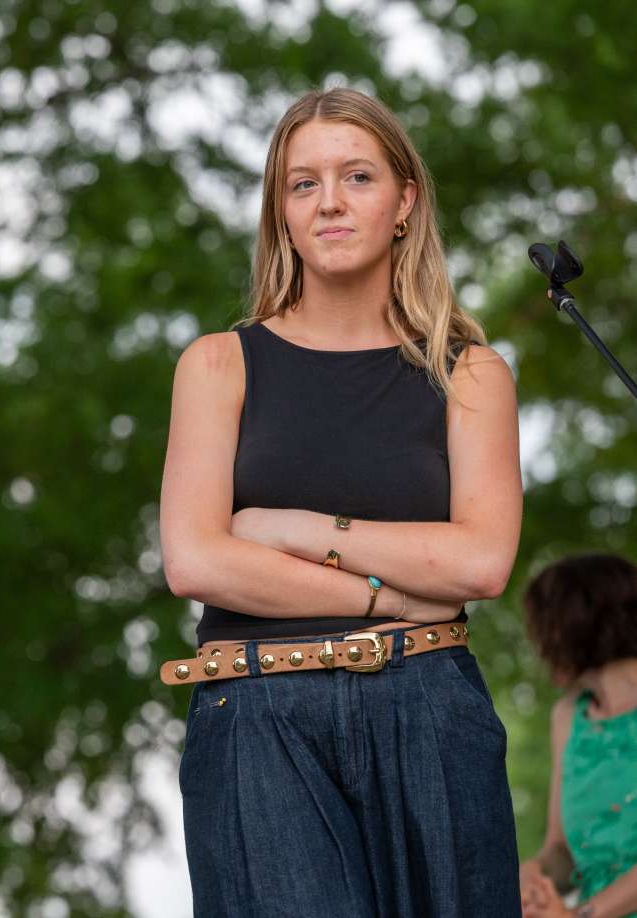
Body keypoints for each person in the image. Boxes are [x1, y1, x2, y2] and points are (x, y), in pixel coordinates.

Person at [157, 87, 523, 915]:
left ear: (405, 202)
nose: (329, 202)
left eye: (357, 176)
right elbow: (196, 560)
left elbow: (480, 562)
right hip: (256, 717)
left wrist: (295, 530)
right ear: (281, 215)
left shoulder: (470, 373)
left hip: (430, 709)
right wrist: (387, 596)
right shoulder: (217, 365)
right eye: (303, 184)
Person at [519, 554, 637, 918]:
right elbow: (562, 851)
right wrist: (533, 878)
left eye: (544, 626)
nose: (539, 646)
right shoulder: (568, 716)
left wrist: (582, 915)